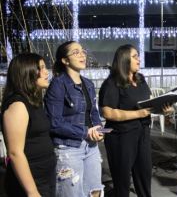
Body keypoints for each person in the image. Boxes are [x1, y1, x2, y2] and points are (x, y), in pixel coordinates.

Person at [99, 44, 172, 197]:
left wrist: (163, 109)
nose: (139, 59)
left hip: (143, 134)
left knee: (144, 176)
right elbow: (107, 112)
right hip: (121, 137)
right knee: (122, 183)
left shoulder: (140, 80)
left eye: (138, 56)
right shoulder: (112, 82)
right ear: (124, 59)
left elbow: (149, 103)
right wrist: (138, 114)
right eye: (135, 56)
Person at [44, 41, 104, 197]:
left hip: (91, 146)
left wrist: (98, 128)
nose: (82, 54)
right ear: (65, 60)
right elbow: (54, 123)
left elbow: (94, 113)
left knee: (95, 191)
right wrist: (85, 132)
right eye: (76, 52)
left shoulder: (88, 84)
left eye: (83, 51)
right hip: (68, 148)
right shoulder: (58, 84)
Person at [1, 53, 56, 196]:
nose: (46, 72)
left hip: (44, 178)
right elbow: (15, 152)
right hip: (31, 182)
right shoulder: (18, 105)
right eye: (41, 68)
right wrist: (32, 192)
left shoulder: (34, 101)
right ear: (27, 72)